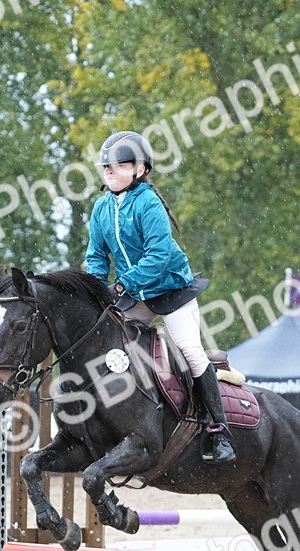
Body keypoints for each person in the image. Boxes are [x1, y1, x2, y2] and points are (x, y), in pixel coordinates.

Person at [84, 130, 235, 463]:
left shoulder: (148, 202)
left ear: (140, 170)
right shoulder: (101, 208)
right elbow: (96, 255)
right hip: (136, 294)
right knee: (109, 345)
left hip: (171, 292)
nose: (109, 172)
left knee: (190, 352)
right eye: (106, 167)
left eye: (118, 166)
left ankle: (218, 432)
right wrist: (96, 288)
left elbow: (158, 256)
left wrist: (123, 284)